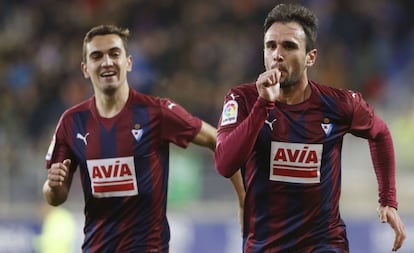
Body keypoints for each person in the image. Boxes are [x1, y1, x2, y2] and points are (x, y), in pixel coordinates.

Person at [214, 3, 406, 253]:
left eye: (289, 46)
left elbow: (380, 133)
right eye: (271, 45)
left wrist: (388, 200)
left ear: (310, 57)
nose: (277, 54)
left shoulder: (339, 104)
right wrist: (263, 105)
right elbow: (224, 164)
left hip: (324, 244)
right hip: (264, 246)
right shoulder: (242, 100)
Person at [42, 24, 244, 252]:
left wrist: (244, 200)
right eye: (97, 56)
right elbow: (55, 197)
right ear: (85, 68)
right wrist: (53, 184)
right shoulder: (71, 122)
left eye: (114, 54)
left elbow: (219, 141)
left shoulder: (157, 112)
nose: (107, 62)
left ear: (128, 62)